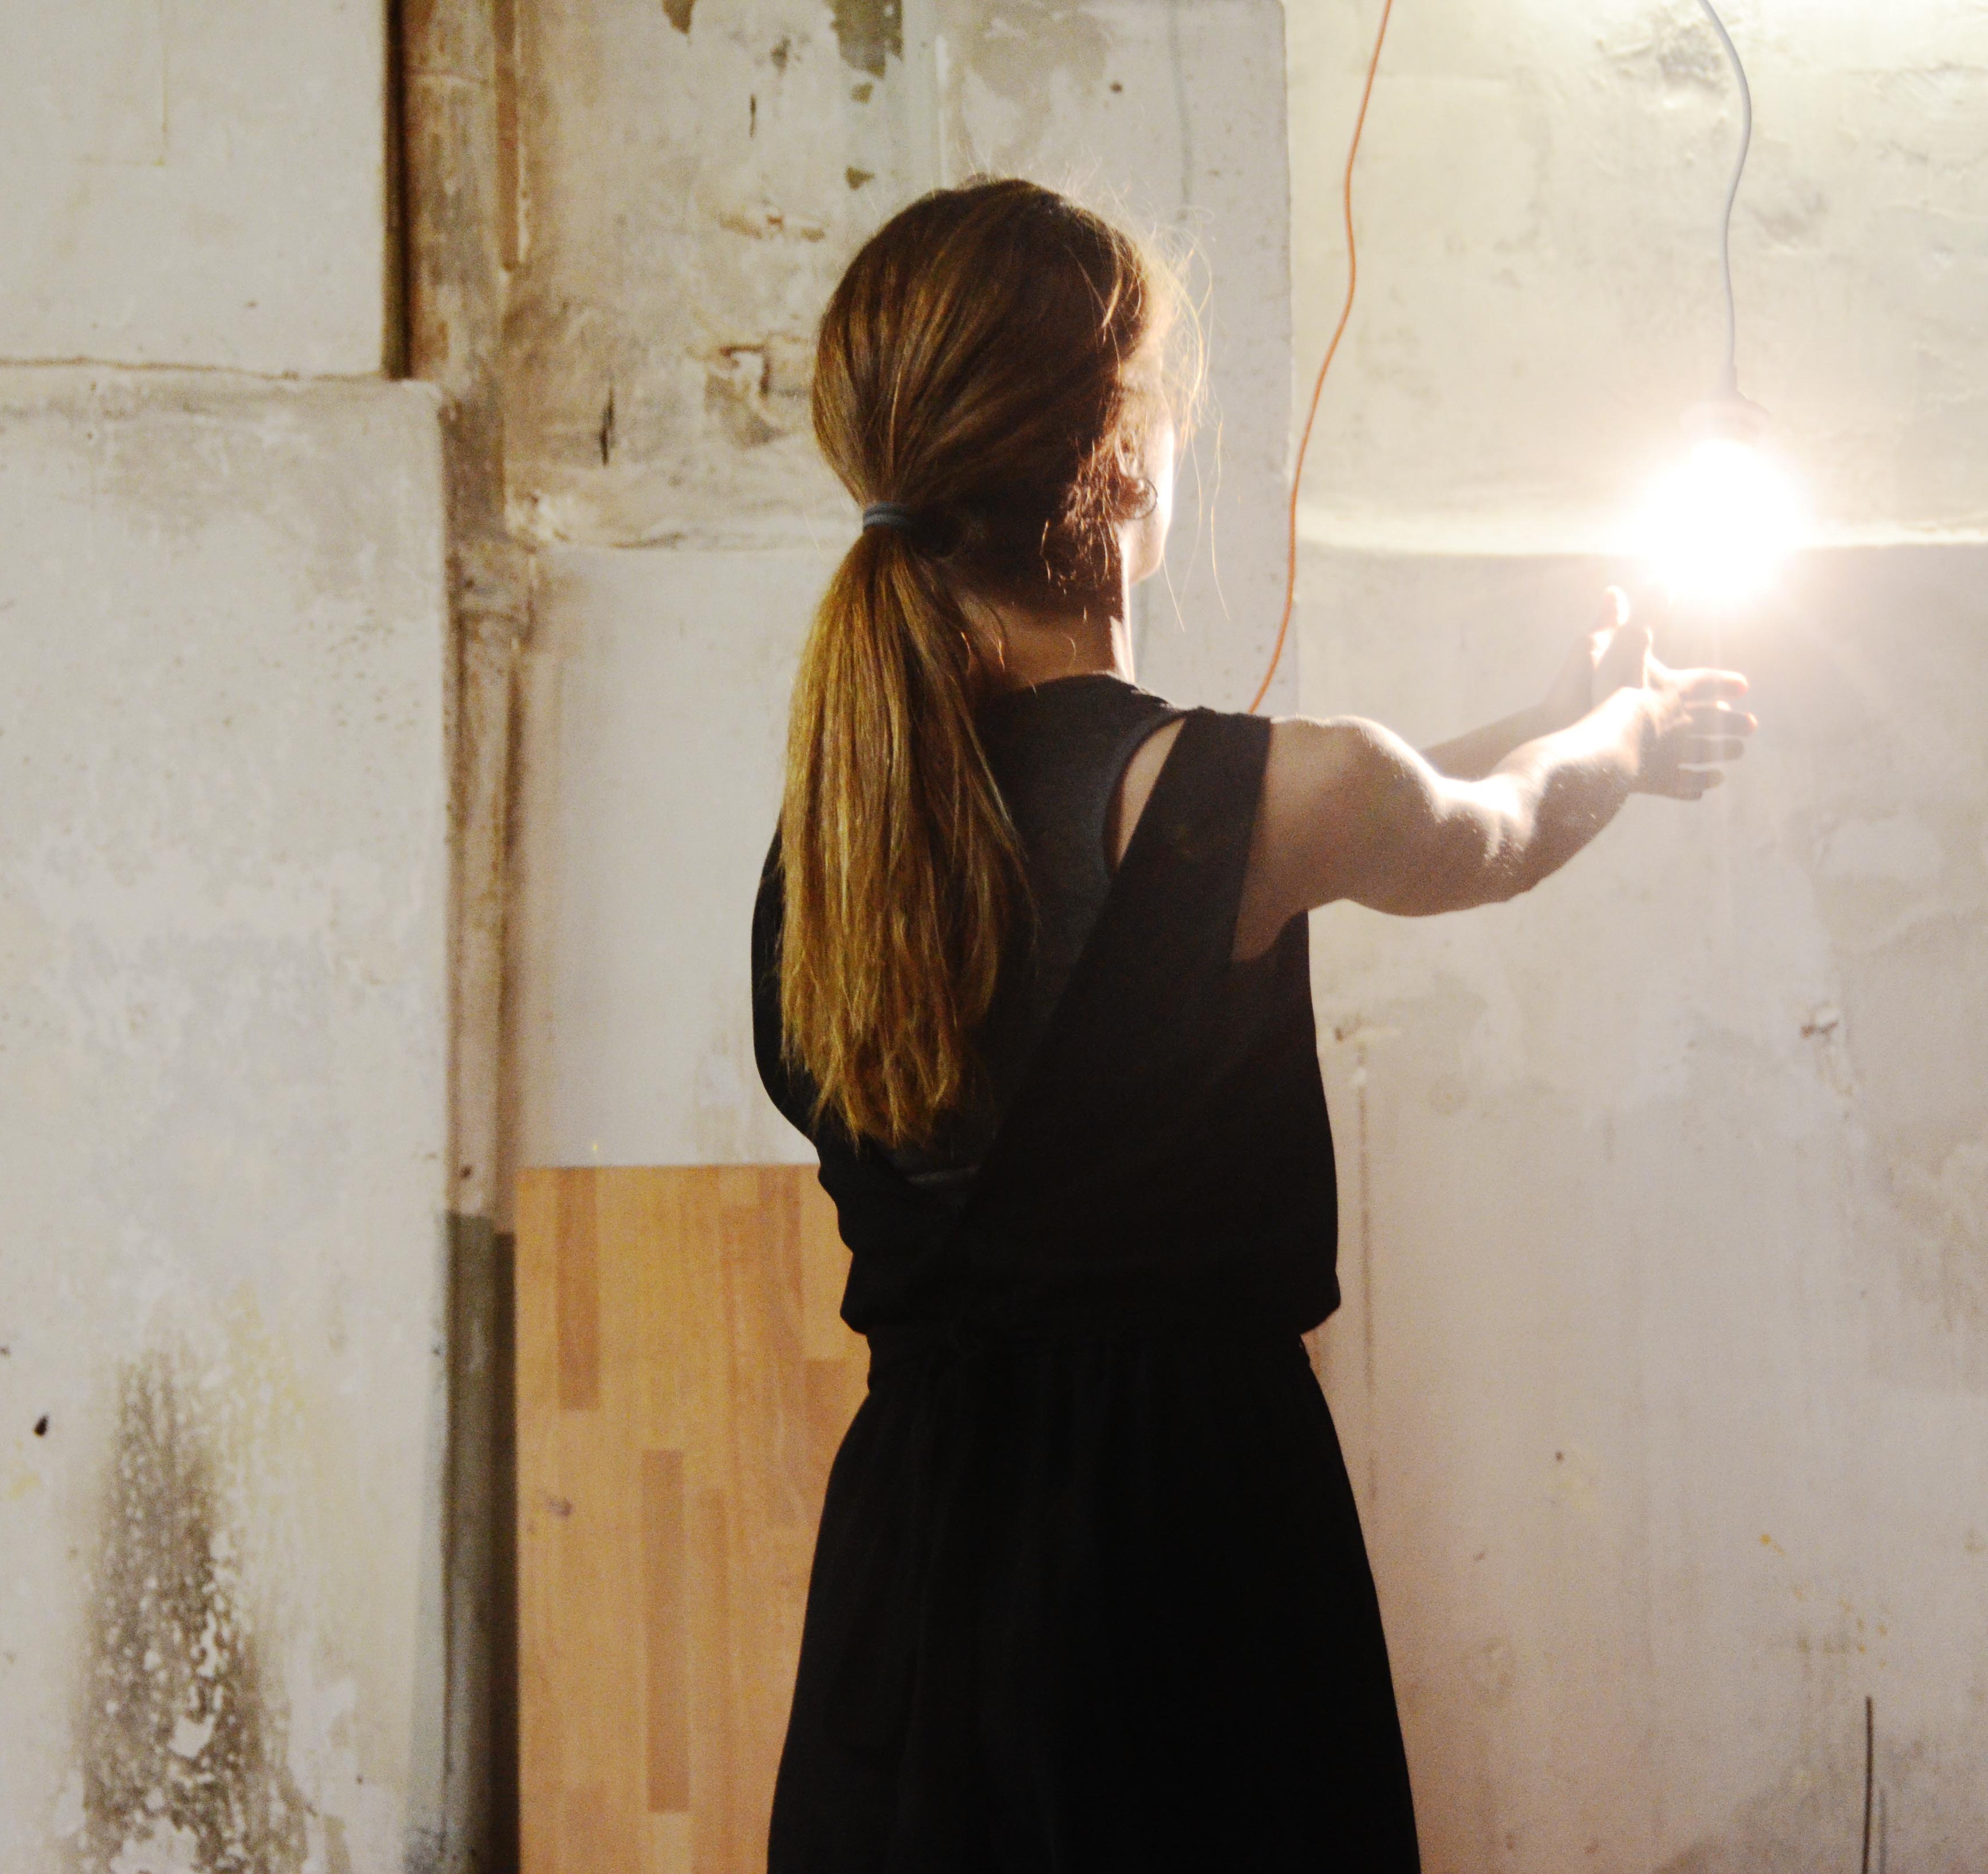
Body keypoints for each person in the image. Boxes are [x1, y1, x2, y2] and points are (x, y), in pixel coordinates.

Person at [750, 177, 1754, 1872]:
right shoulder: (1235, 800)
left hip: (919, 1584)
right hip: (1178, 1557)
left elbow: (1309, 824)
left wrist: (1564, 714)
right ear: (1118, 457)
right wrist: (1631, 736)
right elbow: (1490, 830)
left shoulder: (848, 841)